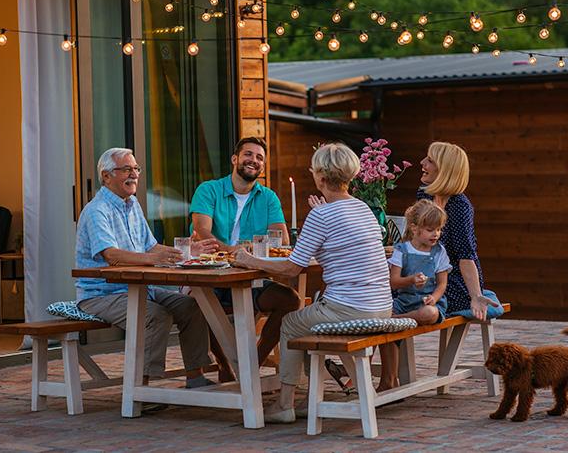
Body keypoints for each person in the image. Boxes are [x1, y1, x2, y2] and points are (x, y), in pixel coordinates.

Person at [234, 142, 393, 423]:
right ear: (350, 176)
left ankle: (284, 404)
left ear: (320, 177)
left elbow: (293, 267)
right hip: (381, 306)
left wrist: (251, 261)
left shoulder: (321, 215)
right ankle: (310, 399)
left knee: (291, 323)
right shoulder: (363, 209)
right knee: (308, 320)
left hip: (351, 310)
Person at [75, 147, 218, 389]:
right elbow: (112, 256)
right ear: (106, 176)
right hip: (101, 294)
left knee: (192, 306)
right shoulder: (96, 210)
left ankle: (196, 377)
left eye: (136, 169)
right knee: (154, 315)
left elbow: (150, 248)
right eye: (126, 169)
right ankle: (140, 388)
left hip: (141, 288)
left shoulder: (132, 204)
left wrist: (186, 253)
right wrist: (157, 260)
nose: (134, 175)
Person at [189, 137, 300, 373]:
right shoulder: (209, 190)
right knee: (198, 304)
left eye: (259, 157)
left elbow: (282, 239)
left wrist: (249, 255)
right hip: (210, 275)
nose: (254, 160)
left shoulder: (268, 197)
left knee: (290, 300)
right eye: (248, 154)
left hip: (250, 279)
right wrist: (234, 252)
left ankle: (251, 367)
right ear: (235, 159)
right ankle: (225, 365)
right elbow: (202, 231)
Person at [416, 141, 503, 320]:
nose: (422, 162)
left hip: (453, 279)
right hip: (425, 272)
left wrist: (476, 296)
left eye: (430, 160)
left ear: (445, 170)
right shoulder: (425, 195)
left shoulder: (459, 206)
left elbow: (466, 256)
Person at [378, 199, 451, 391]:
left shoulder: (439, 252)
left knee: (430, 314)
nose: (436, 234)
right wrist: (410, 280)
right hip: (404, 300)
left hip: (427, 302)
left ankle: (399, 320)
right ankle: (389, 378)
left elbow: (442, 283)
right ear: (414, 228)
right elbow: (393, 281)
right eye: (430, 229)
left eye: (438, 229)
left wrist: (434, 298)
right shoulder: (402, 250)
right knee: (382, 321)